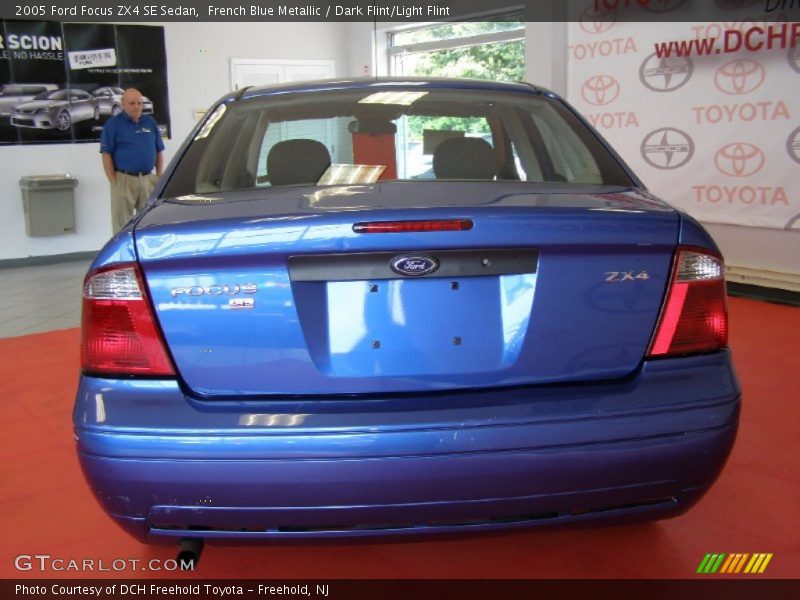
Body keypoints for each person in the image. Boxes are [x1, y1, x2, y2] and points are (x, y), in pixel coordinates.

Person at [100, 88, 164, 232]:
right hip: (124, 180)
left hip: (148, 179)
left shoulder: (150, 123)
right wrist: (114, 181)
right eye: (132, 103)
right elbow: (106, 154)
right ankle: (124, 254)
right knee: (122, 224)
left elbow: (159, 150)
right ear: (123, 104)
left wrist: (159, 176)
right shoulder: (113, 124)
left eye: (139, 103)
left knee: (149, 221)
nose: (136, 107)